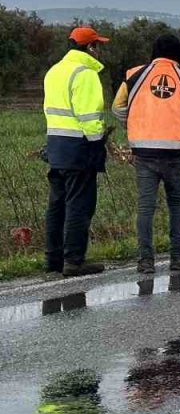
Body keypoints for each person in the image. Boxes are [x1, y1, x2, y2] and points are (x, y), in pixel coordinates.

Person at [112, 33, 180, 274]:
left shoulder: (133, 76)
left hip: (144, 151)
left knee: (146, 208)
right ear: (178, 53)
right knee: (176, 205)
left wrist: (134, 124)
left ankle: (146, 261)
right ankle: (177, 258)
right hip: (177, 152)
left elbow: (117, 107)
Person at [43, 27, 111, 278]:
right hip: (79, 147)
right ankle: (74, 260)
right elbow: (90, 117)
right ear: (90, 47)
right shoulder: (86, 74)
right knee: (79, 205)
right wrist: (97, 144)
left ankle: (53, 259)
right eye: (98, 45)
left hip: (56, 145)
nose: (100, 50)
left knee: (56, 205)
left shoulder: (54, 71)